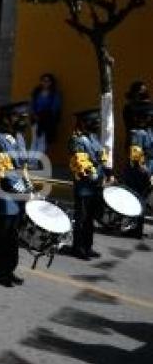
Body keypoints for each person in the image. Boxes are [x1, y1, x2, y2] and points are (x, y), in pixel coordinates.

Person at [0, 102, 34, 287]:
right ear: (6, 119)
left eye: (23, 116)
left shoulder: (20, 138)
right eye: (17, 116)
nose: (22, 119)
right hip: (4, 194)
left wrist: (28, 184)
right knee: (2, 234)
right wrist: (16, 185)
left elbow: (22, 165)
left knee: (13, 234)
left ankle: (10, 269)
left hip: (18, 192)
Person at [68, 109, 111, 260]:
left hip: (95, 185)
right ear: (84, 123)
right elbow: (81, 163)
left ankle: (88, 246)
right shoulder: (77, 140)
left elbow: (102, 155)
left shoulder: (93, 137)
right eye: (94, 121)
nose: (97, 123)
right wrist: (95, 176)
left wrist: (108, 172)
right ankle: (78, 248)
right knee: (82, 218)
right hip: (84, 186)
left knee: (90, 218)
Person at [123, 102, 152, 238]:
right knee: (136, 199)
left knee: (141, 199)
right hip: (138, 172)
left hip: (147, 168)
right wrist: (145, 170)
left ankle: (137, 229)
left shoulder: (148, 131)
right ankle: (135, 229)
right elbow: (136, 155)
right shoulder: (137, 133)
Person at [30, 73, 62, 157]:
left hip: (47, 120)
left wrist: (49, 118)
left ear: (51, 82)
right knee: (34, 140)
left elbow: (55, 107)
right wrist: (34, 115)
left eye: (47, 81)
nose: (45, 83)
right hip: (36, 119)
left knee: (42, 142)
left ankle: (37, 161)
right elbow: (32, 104)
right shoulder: (37, 92)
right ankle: (31, 162)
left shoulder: (54, 93)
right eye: (43, 81)